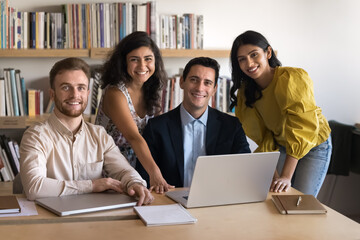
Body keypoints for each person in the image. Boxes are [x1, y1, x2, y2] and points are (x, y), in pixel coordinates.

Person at [20, 57, 153, 206]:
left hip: (92, 219)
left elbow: (123, 171)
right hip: (50, 222)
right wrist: (92, 185)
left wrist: (135, 184)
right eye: (65, 87)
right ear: (52, 94)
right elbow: (34, 187)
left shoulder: (99, 135)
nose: (74, 95)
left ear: (88, 93)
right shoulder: (36, 136)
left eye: (81, 88)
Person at [229, 30, 332, 197]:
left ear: (268, 53)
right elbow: (264, 137)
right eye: (242, 59)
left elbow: (302, 129)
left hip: (313, 144)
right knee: (276, 196)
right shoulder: (246, 93)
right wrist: (275, 177)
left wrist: (285, 176)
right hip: (283, 146)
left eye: (254, 55)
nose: (249, 63)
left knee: (299, 203)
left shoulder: (291, 78)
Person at [136, 57, 250, 187]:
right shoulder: (156, 127)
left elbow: (245, 171)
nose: (199, 88)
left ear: (214, 89)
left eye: (207, 82)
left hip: (217, 202)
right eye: (194, 80)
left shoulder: (232, 126)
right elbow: (143, 177)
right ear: (182, 82)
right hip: (171, 202)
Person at [95, 31, 173, 193]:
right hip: (110, 169)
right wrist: (156, 173)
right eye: (134, 60)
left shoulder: (152, 89)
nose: (142, 66)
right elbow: (133, 137)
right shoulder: (115, 93)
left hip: (140, 169)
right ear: (123, 62)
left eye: (148, 59)